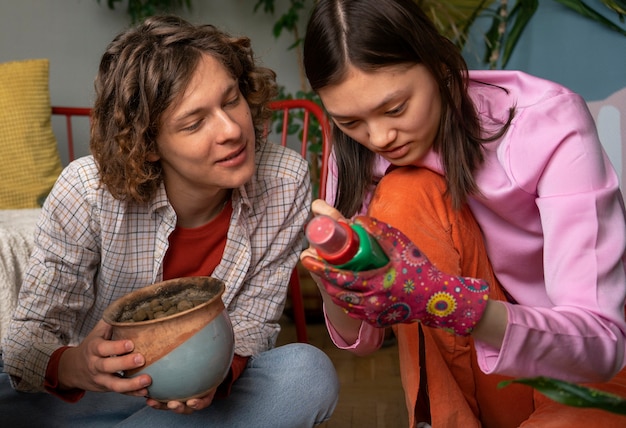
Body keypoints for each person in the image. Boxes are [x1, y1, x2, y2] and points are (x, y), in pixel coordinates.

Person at [0, 15, 339, 427]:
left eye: (231, 100)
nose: (232, 130)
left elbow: (253, 325)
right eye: (194, 123)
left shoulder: (284, 180)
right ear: (147, 145)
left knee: (306, 374)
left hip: (204, 404)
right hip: (94, 396)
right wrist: (77, 367)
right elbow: (25, 346)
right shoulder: (86, 192)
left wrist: (215, 380)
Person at [299, 0, 626, 427]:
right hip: (488, 377)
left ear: (438, 64)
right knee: (404, 191)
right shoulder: (358, 151)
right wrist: (334, 278)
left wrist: (452, 304)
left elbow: (603, 345)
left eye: (396, 108)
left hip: (584, 370)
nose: (379, 136)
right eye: (349, 121)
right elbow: (362, 341)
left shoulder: (549, 124)